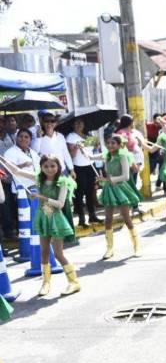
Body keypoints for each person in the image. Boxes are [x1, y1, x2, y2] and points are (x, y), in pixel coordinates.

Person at [2, 155, 80, 296]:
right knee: (44, 252)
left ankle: (74, 282)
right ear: (41, 167)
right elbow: (17, 171)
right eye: (46, 166)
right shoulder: (39, 179)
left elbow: (60, 204)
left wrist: (40, 197)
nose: (49, 169)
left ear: (58, 167)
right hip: (43, 218)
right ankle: (46, 283)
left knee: (58, 254)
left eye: (52, 166)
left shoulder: (62, 182)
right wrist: (2, 159)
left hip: (56, 220)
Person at [87, 135, 142, 259]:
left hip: (121, 188)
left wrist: (106, 179)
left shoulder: (122, 156)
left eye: (113, 143)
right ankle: (109, 249)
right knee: (108, 220)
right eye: (108, 143)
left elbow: (126, 177)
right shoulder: (107, 155)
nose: (110, 145)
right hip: (109, 188)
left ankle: (137, 246)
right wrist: (82, 149)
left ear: (119, 145)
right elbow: (90, 157)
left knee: (126, 217)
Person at [2, 129, 40, 241]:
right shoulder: (10, 152)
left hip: (35, 187)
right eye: (21, 136)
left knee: (36, 214)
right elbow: (9, 169)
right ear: (16, 138)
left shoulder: (32, 152)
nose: (23, 139)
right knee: (25, 216)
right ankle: (26, 240)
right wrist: (22, 165)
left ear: (30, 140)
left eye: (26, 137)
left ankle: (37, 237)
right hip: (22, 189)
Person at [66, 119, 101, 227]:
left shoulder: (88, 135)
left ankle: (92, 215)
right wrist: (76, 148)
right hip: (78, 167)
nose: (79, 125)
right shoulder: (70, 136)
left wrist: (96, 144)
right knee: (79, 193)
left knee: (90, 191)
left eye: (81, 122)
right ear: (72, 125)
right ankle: (81, 218)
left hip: (90, 165)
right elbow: (70, 153)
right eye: (76, 123)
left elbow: (96, 147)